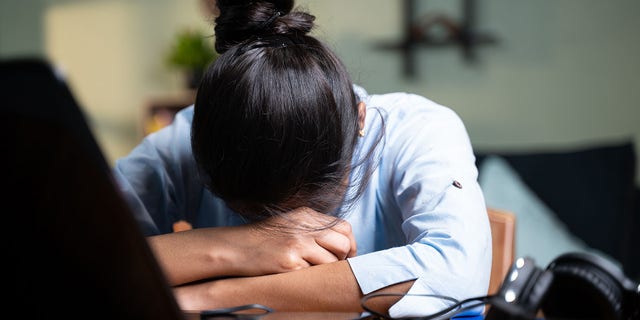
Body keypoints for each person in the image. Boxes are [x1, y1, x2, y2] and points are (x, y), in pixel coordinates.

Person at [113, 0, 492, 317]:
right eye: (249, 212)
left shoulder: (418, 130)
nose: (286, 228)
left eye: (308, 204)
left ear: (359, 122)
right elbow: (70, 257)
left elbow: (457, 271)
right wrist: (241, 244)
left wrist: (210, 297)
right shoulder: (188, 137)